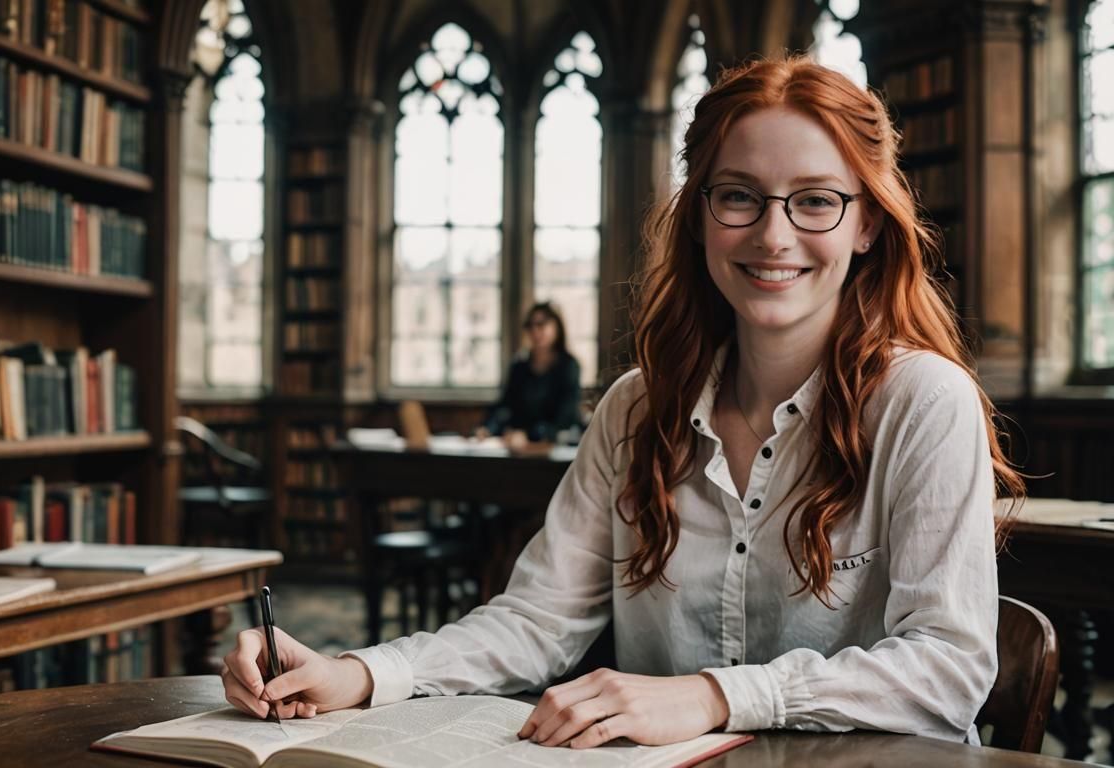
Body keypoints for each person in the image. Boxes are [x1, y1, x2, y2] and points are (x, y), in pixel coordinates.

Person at [221, 55, 1025, 750]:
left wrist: (713, 696)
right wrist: (359, 672)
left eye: (815, 200)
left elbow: (946, 670)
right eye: (738, 196)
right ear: (700, 219)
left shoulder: (924, 401)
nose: (774, 236)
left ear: (867, 228)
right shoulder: (635, 411)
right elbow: (536, 621)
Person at [475, 302, 583, 449]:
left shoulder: (569, 366)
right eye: (530, 326)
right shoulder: (519, 366)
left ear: (557, 327)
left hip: (557, 447)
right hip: (518, 447)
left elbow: (565, 417)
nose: (535, 331)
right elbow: (505, 405)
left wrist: (529, 435)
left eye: (541, 324)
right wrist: (488, 428)